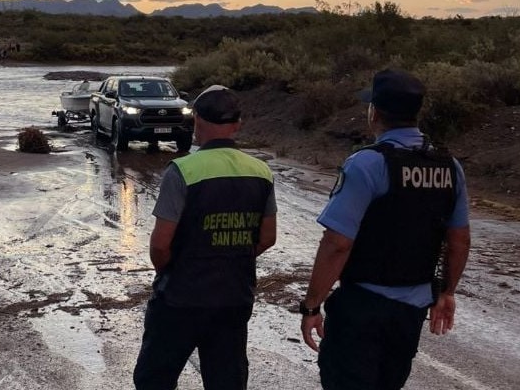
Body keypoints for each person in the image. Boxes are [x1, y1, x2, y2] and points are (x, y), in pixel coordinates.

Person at [300, 68, 471, 389]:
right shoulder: (449, 166)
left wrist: (311, 305)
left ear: (374, 112)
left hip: (363, 306)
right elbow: (459, 239)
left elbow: (337, 243)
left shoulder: (367, 164)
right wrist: (447, 292)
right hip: (411, 310)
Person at [133, 85, 277, 390]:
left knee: (153, 379)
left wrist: (175, 269)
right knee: (227, 380)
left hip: (180, 299)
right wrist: (230, 256)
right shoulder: (261, 171)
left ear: (196, 121)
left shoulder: (183, 170)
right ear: (237, 124)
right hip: (234, 297)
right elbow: (268, 237)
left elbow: (160, 245)